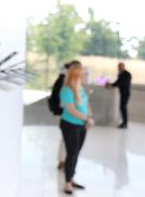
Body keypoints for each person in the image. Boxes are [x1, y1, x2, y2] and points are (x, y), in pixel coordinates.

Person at [59, 62, 94, 195]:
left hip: (81, 125)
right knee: (72, 153)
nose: (86, 76)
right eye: (85, 74)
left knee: (76, 153)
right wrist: (86, 119)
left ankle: (71, 178)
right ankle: (67, 183)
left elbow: (85, 103)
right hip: (69, 125)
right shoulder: (67, 89)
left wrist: (89, 117)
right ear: (77, 75)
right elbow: (71, 109)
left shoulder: (80, 88)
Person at [49, 63, 69, 169]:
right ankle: (62, 161)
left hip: (63, 113)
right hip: (65, 114)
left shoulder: (62, 80)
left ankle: (63, 160)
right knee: (65, 139)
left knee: (65, 139)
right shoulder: (64, 82)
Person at [107, 62, 132, 129]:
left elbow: (121, 82)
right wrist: (111, 84)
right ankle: (124, 122)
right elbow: (118, 82)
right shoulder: (121, 74)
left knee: (123, 107)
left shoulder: (127, 74)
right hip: (122, 93)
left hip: (125, 93)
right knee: (122, 107)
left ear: (123, 66)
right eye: (118, 67)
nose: (119, 68)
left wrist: (112, 85)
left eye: (120, 67)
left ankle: (125, 123)